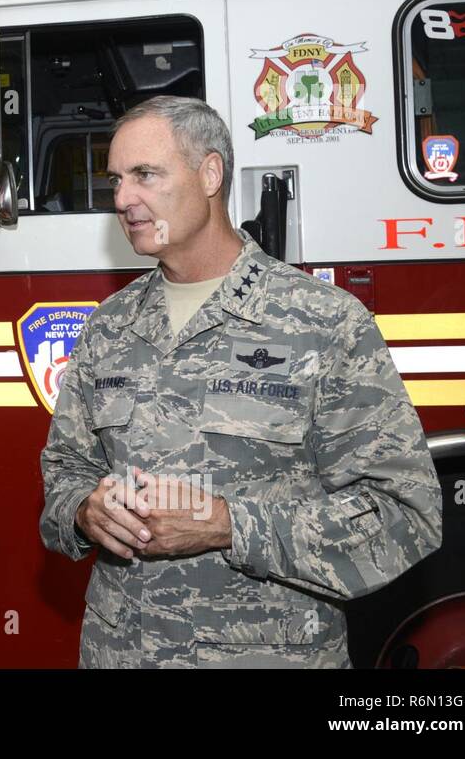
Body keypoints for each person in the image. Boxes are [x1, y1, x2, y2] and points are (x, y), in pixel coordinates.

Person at [39, 96, 442, 668]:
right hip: (123, 652)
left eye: (146, 175)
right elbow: (65, 472)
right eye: (116, 180)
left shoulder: (324, 322)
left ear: (210, 174)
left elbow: (405, 515)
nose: (124, 199)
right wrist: (85, 510)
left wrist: (229, 527)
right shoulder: (110, 326)